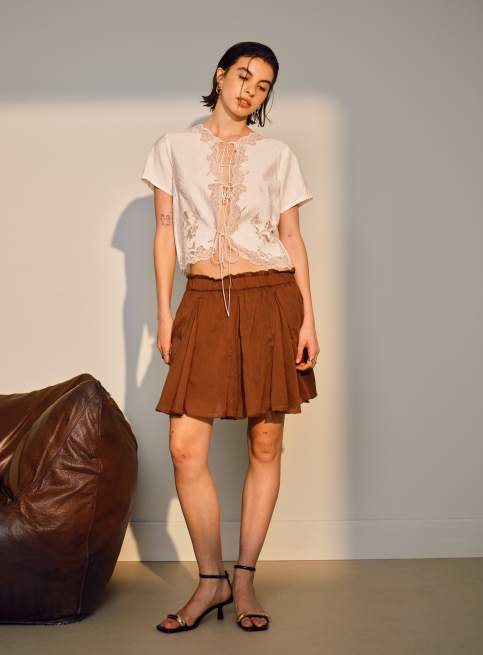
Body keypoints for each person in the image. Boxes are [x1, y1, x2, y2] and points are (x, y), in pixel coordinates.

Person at [141, 41, 320, 634]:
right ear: (220, 76)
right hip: (202, 298)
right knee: (185, 447)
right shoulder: (172, 148)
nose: (250, 90)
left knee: (265, 445)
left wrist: (308, 319)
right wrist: (164, 314)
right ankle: (211, 580)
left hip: (271, 298)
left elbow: (291, 239)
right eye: (243, 76)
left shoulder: (278, 155)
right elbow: (165, 232)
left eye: (263, 85)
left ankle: (243, 578)